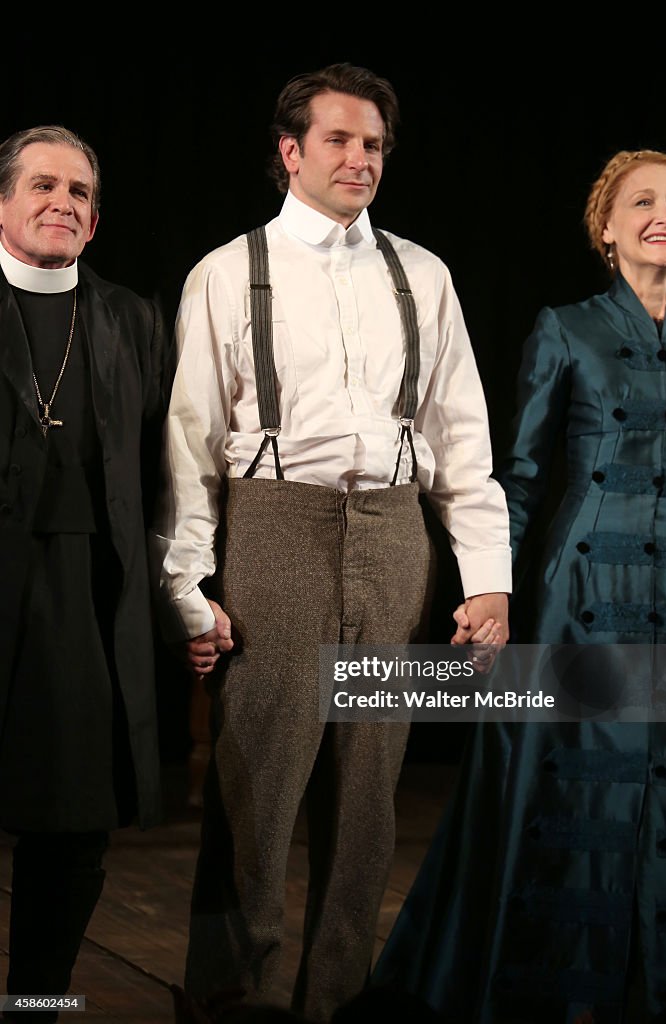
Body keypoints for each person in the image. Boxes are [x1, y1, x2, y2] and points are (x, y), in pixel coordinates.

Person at [152, 62, 512, 1024]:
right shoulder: (230, 272)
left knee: (367, 801)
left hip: (394, 536)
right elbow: (189, 447)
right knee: (258, 791)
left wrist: (486, 580)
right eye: (342, 140)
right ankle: (236, 1000)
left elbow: (460, 435)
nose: (361, 159)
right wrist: (187, 583)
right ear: (290, 151)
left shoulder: (420, 273)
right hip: (274, 523)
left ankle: (338, 1002)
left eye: (375, 145)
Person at [371, 149, 666, 1022]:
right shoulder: (565, 328)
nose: (664, 215)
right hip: (580, 595)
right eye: (641, 201)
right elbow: (522, 472)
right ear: (604, 229)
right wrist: (489, 590)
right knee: (575, 787)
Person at [0, 125, 164, 1021]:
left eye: (79, 193)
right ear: (3, 202)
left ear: (94, 222)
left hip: (82, 601)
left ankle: (35, 1005)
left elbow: (164, 469)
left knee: (70, 829)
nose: (61, 202)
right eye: (42, 185)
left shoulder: (130, 319)